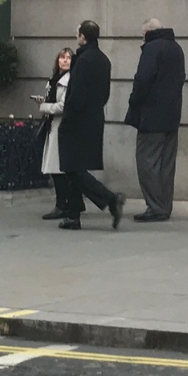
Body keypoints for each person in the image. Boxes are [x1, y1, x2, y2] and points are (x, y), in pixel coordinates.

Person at [57, 20, 125, 231]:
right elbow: (104, 93)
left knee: (71, 167)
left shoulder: (83, 60)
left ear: (83, 37)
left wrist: (68, 116)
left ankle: (110, 199)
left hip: (77, 120)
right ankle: (73, 215)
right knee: (76, 167)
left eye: (78, 33)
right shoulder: (103, 60)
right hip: (94, 118)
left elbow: (76, 94)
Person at [124, 17, 186, 223]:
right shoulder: (176, 48)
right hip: (172, 115)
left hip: (151, 116)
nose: (142, 39)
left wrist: (134, 101)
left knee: (146, 162)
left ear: (148, 32)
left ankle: (155, 206)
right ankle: (164, 206)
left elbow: (143, 79)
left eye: (143, 35)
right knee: (167, 164)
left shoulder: (151, 49)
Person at [32, 47, 74, 219]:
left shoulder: (68, 80)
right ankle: (64, 202)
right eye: (62, 58)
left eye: (68, 58)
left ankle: (62, 204)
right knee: (54, 168)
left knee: (58, 168)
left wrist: (44, 107)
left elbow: (63, 106)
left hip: (61, 127)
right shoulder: (53, 80)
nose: (64, 61)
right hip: (52, 126)